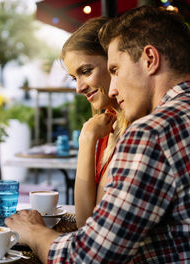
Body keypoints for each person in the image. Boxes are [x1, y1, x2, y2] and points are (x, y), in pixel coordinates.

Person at [6, 6, 190, 264]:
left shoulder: (150, 133)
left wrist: (35, 232)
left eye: (115, 70)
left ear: (150, 59)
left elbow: (86, 259)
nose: (112, 90)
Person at [60, 17, 130, 228]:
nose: (79, 88)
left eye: (86, 71)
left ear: (113, 63)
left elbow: (86, 224)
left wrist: (87, 139)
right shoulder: (106, 123)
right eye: (74, 77)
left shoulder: (134, 127)